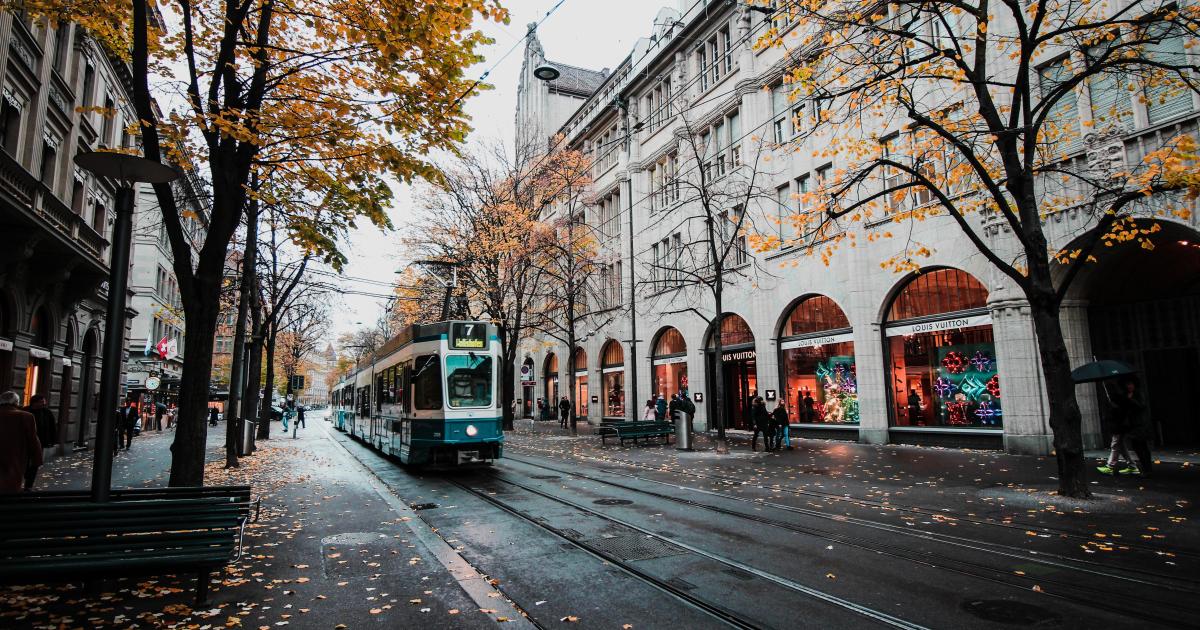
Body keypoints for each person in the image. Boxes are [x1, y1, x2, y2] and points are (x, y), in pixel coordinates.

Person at [1103, 379, 1153, 477]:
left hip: (1140, 425)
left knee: (1142, 447)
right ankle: (1141, 468)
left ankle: (1146, 469)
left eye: (1130, 384)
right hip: (1132, 425)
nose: (1129, 386)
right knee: (1136, 447)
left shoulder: (1138, 394)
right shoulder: (1127, 395)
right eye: (1127, 384)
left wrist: (1130, 400)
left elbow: (1141, 406)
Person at [1, 391, 42, 493]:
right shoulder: (26, 416)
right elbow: (33, 440)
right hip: (15, 455)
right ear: (16, 402)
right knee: (11, 484)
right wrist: (37, 459)